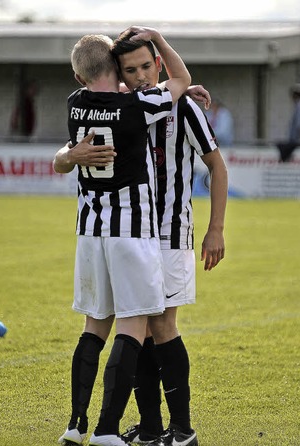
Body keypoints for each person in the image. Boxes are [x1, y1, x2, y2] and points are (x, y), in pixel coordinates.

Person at [56, 27, 228, 446]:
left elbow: (217, 167)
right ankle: (151, 428)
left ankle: (182, 429)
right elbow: (67, 151)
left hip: (168, 232)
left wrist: (215, 229)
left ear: (159, 63)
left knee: (161, 324)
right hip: (134, 233)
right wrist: (66, 155)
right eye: (130, 69)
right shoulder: (122, 102)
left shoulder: (182, 107)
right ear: (118, 72)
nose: (140, 76)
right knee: (143, 327)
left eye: (147, 67)